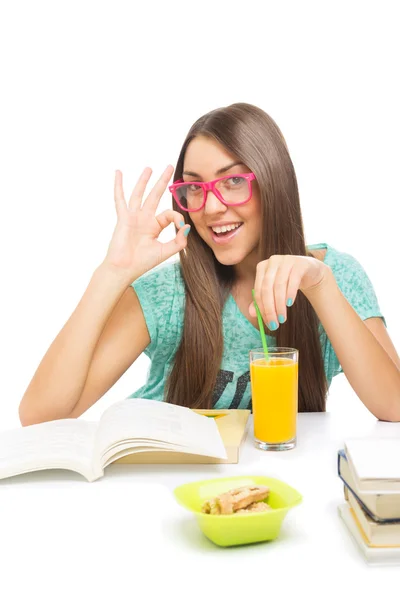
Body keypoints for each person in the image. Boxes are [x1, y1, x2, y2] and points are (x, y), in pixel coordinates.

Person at [19, 103, 400, 426]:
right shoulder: (171, 292)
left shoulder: (332, 277)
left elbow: (393, 406)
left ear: (273, 182)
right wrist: (112, 273)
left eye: (233, 181)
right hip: (167, 487)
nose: (212, 207)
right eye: (195, 188)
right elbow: (41, 417)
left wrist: (320, 287)